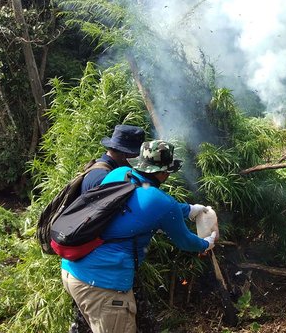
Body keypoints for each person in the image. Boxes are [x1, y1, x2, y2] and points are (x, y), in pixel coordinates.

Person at [61, 140, 217, 333]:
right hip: (104, 286)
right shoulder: (162, 202)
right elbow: (185, 241)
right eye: (167, 171)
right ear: (162, 173)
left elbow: (139, 206)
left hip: (73, 269)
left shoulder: (118, 174)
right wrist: (206, 243)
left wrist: (189, 210)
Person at [71, 124, 145, 333]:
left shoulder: (98, 167)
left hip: (84, 265)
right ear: (124, 153)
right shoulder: (104, 178)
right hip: (96, 270)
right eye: (132, 155)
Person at [81, 124, 146, 192]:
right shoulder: (106, 180)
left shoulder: (98, 166)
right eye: (137, 155)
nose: (139, 159)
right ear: (124, 155)